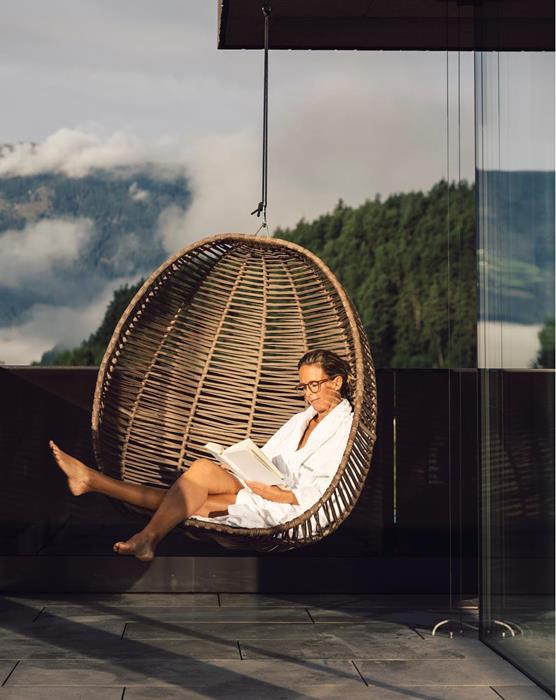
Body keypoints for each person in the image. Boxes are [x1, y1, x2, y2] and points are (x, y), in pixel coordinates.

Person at [49, 349, 354, 562]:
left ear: (336, 382)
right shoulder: (302, 419)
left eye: (315, 385)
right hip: (260, 486)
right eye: (303, 387)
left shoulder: (344, 427)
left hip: (289, 506)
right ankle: (106, 495)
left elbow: (325, 491)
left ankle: (104, 491)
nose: (309, 394)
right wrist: (238, 463)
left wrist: (274, 494)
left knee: (187, 498)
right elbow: (268, 456)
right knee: (200, 475)